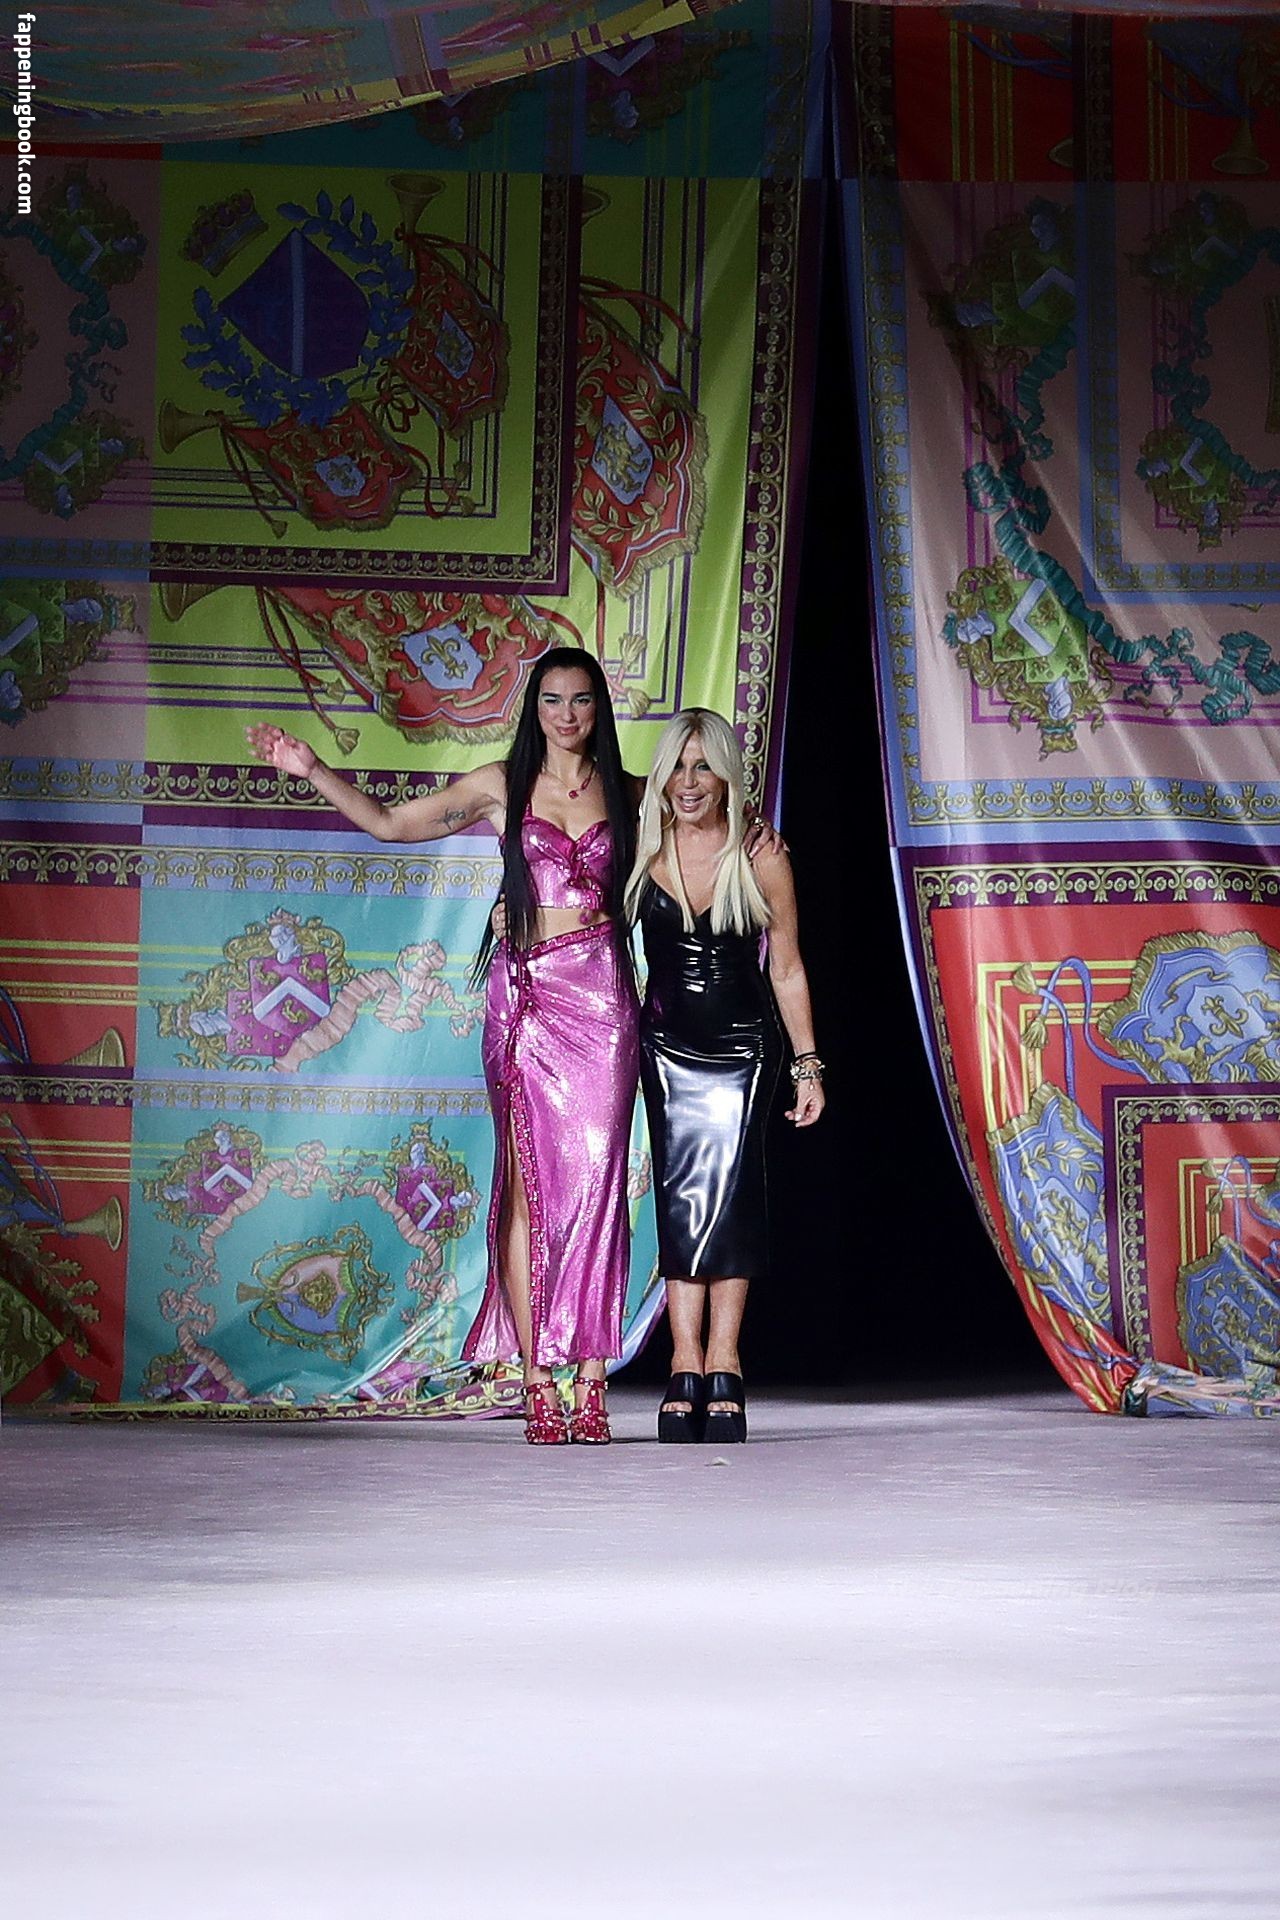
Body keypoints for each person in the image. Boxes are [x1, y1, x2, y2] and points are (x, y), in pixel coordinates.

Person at [247, 647, 639, 1446]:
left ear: (600, 707)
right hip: (528, 998)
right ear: (534, 708)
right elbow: (392, 825)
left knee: (598, 1186)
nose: (566, 715)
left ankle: (592, 1377)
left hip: (603, 999)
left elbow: (702, 845)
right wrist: (312, 768)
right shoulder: (502, 784)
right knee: (528, 1187)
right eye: (552, 700)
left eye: (581, 700)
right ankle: (539, 1379)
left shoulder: (630, 794)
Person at [623, 708, 824, 1445]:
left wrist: (808, 1065)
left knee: (733, 1198)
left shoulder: (759, 852)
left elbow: (788, 967)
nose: (689, 781)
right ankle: (683, 1363)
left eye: (704, 766)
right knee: (681, 1197)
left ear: (727, 775)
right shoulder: (642, 843)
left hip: (744, 1048)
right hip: (665, 1047)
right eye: (678, 766)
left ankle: (725, 1362)